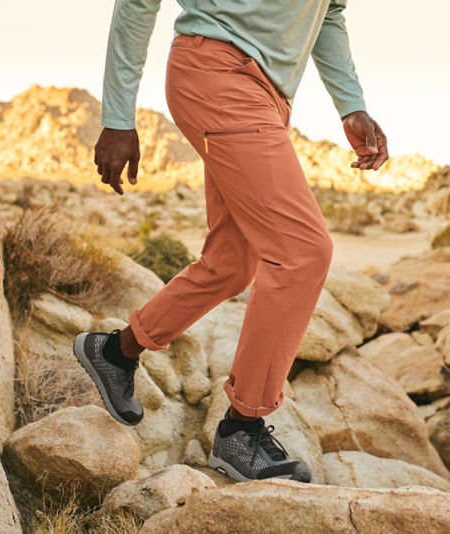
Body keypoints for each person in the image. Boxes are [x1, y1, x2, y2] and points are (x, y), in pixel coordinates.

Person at [73, 0, 388, 484]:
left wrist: (352, 104)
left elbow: (328, 14)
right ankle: (241, 431)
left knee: (230, 262)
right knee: (303, 253)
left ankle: (115, 352)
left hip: (269, 96)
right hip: (217, 72)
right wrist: (119, 115)